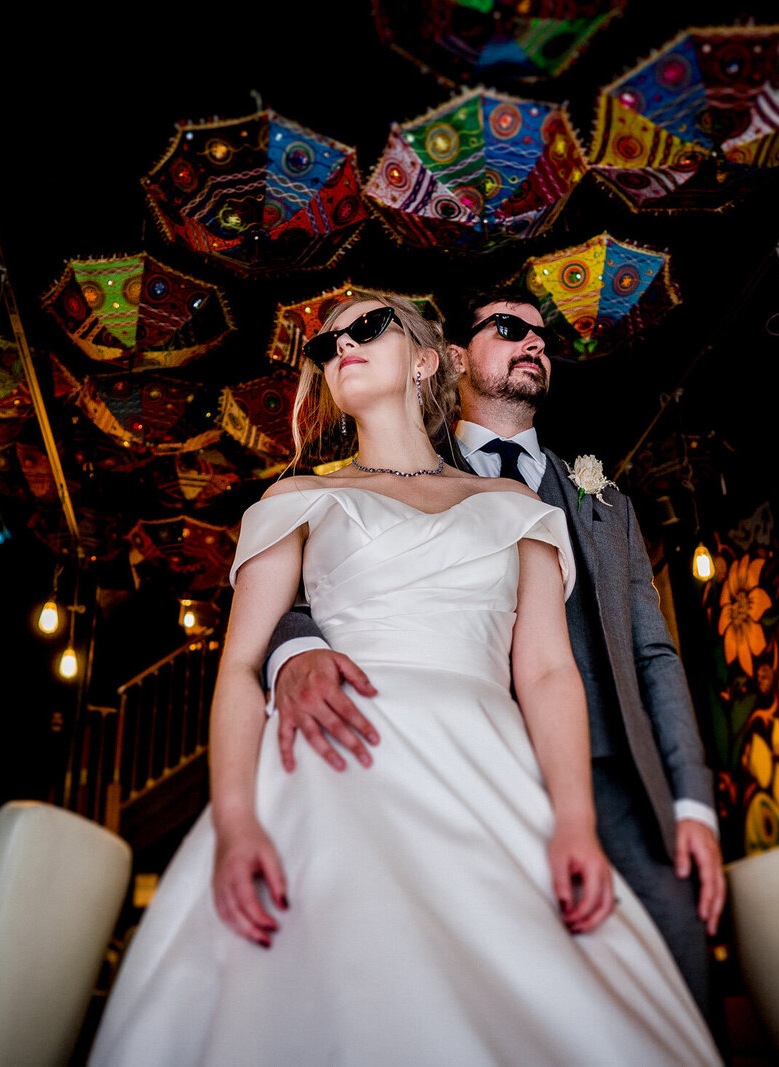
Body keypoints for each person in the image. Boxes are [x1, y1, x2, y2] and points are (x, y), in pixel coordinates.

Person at [88, 296, 720, 1066]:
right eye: (327, 344)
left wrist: (574, 821)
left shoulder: (517, 507)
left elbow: (551, 671)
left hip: (493, 770)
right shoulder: (297, 498)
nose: (341, 345)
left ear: (426, 359)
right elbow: (242, 667)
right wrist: (236, 820)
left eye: (367, 327)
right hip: (338, 767)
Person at [264, 286, 725, 1020]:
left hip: (615, 778)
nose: (534, 342)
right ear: (450, 357)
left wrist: (691, 799)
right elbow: (303, 594)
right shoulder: (404, 466)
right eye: (510, 328)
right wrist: (297, 652)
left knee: (674, 976)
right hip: (460, 769)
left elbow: (655, 653)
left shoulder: (606, 498)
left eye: (542, 335)